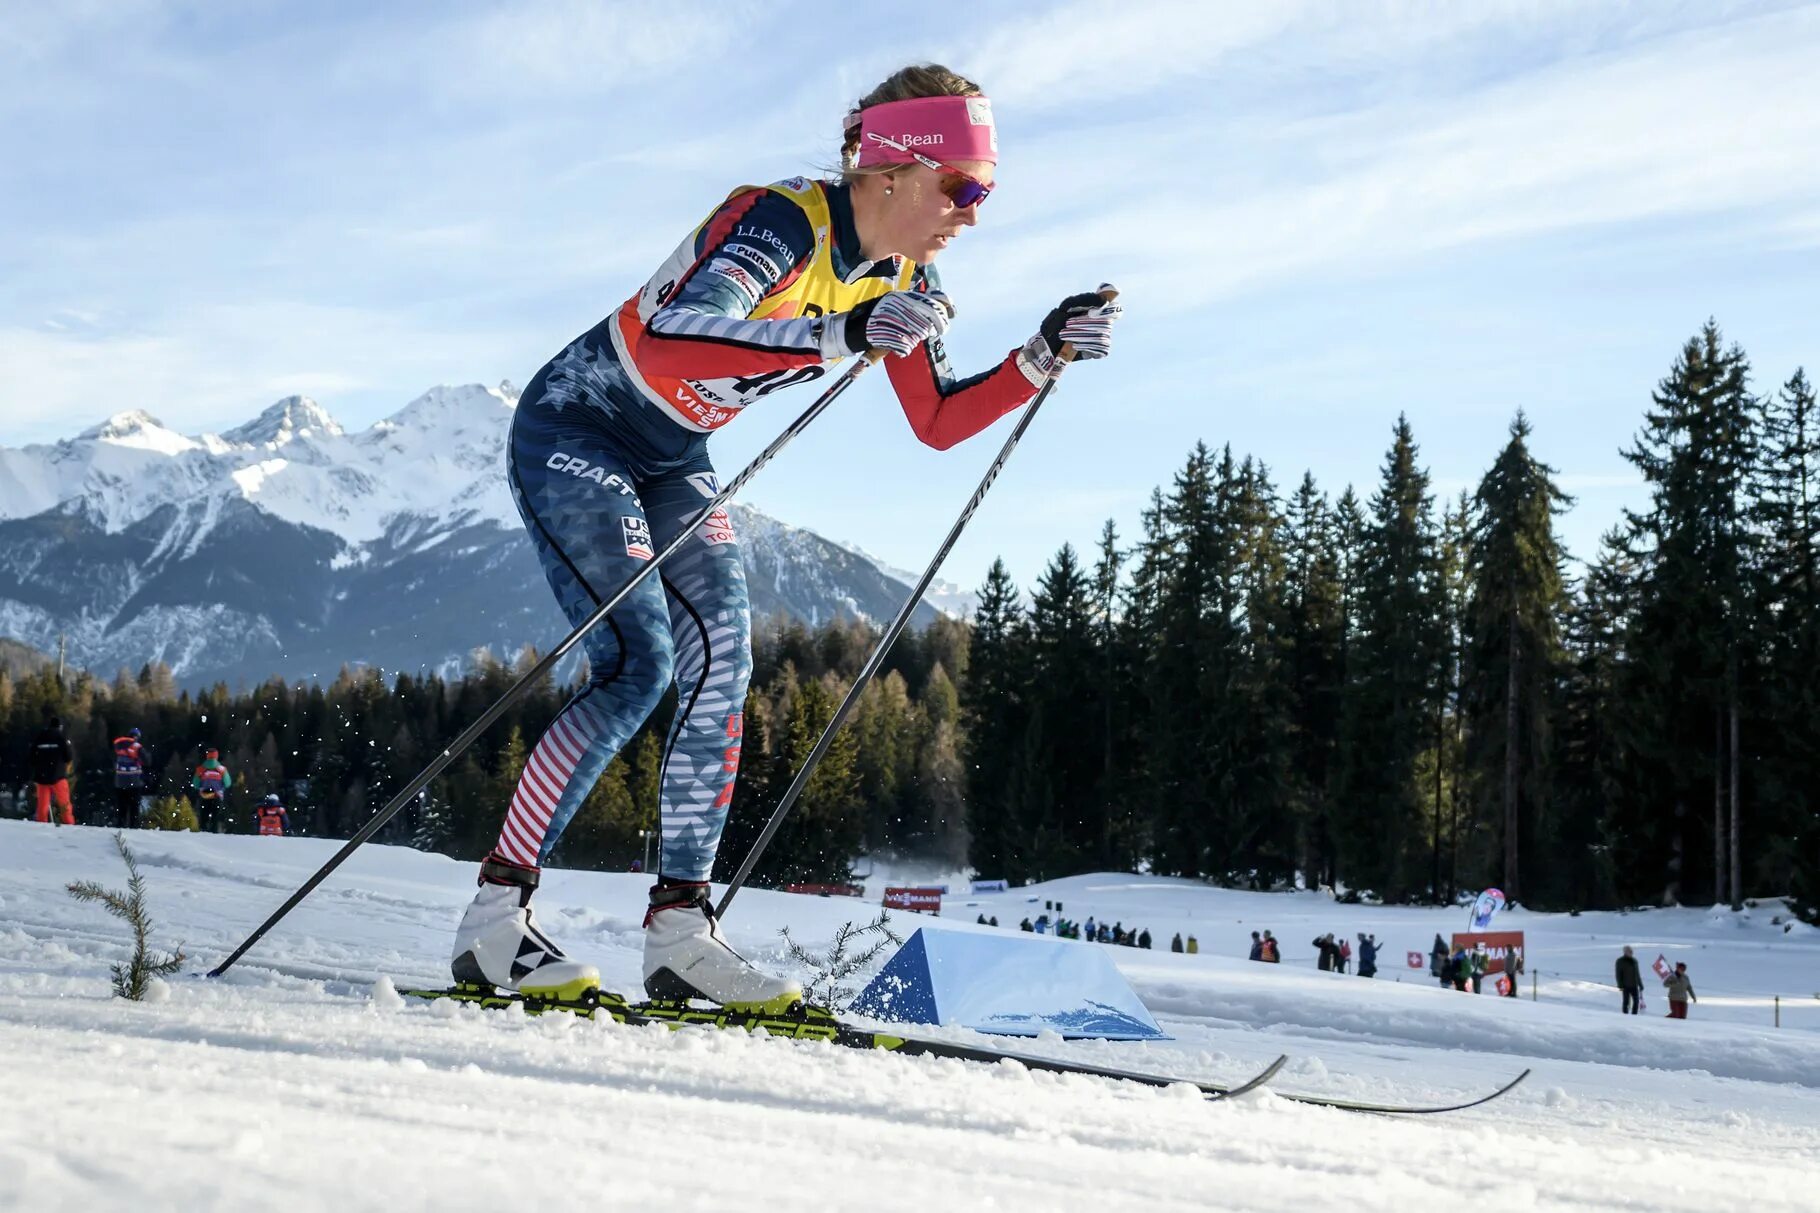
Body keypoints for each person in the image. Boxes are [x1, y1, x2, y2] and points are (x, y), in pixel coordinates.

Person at [447, 63, 1122, 1011]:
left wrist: (1038, 358)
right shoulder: (780, 222)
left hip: (675, 455)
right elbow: (675, 336)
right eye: (962, 187)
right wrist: (839, 331)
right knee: (637, 665)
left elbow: (934, 418)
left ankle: (680, 932)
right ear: (892, 170)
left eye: (987, 194)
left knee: (725, 660)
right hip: (579, 427)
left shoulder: (904, 272)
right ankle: (492, 924)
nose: (971, 214)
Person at [29, 715, 76, 826]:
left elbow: (31, 757)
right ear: (60, 727)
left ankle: (41, 825)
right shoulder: (61, 737)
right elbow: (69, 756)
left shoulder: (40, 737)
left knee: (42, 805)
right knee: (64, 804)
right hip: (58, 776)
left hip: (42, 777)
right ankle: (69, 824)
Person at [112, 727, 150, 829]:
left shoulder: (118, 746)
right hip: (134, 781)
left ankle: (120, 826)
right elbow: (147, 761)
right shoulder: (137, 747)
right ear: (137, 737)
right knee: (134, 807)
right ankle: (133, 827)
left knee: (121, 806)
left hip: (119, 781)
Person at [191, 748, 234, 833]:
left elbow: (195, 784)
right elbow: (228, 783)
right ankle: (214, 834)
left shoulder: (200, 769)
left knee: (204, 817)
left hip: (204, 796)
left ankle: (203, 833)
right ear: (216, 756)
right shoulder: (222, 769)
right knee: (215, 818)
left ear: (207, 756)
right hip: (217, 796)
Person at [1615, 945, 1643, 1014]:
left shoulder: (1634, 961)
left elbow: (1637, 974)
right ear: (1625, 952)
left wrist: (1640, 984)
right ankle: (1625, 1015)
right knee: (1626, 1002)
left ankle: (1634, 1015)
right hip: (1625, 985)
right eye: (1629, 951)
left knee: (1636, 1001)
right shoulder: (1620, 961)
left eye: (1631, 951)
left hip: (1634, 985)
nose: (1631, 953)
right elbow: (1618, 974)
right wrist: (1620, 985)